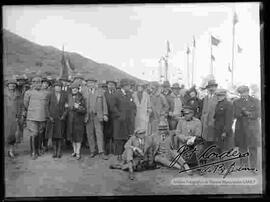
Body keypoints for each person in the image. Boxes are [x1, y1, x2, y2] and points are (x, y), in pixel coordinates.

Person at [233, 85, 261, 172]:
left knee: (253, 147)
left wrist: (249, 114)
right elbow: (235, 114)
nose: (242, 95)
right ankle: (243, 164)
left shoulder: (255, 101)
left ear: (248, 92)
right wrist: (242, 113)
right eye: (241, 93)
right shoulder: (236, 102)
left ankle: (253, 166)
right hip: (241, 127)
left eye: (244, 92)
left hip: (252, 127)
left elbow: (259, 113)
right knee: (242, 147)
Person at [24, 76, 50, 159]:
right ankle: (33, 152)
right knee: (33, 134)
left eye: (39, 82)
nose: (37, 84)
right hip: (32, 117)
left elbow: (47, 104)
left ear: (41, 83)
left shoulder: (46, 93)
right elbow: (26, 104)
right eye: (35, 82)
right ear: (32, 83)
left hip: (42, 116)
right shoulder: (28, 93)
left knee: (40, 133)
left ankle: (38, 150)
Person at [83, 77, 109, 160]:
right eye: (89, 82)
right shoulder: (84, 92)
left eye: (92, 82)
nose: (90, 84)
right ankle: (92, 151)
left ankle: (101, 151)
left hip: (98, 116)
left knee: (99, 133)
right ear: (87, 84)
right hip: (88, 116)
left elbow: (104, 104)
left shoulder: (100, 92)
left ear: (95, 84)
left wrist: (105, 114)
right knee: (90, 134)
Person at [114, 78, 136, 161]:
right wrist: (119, 115)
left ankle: (125, 154)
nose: (129, 87)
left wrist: (134, 112)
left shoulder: (130, 94)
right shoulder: (116, 94)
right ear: (124, 86)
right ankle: (118, 155)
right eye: (128, 85)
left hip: (128, 120)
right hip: (119, 121)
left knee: (127, 137)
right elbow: (113, 107)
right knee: (119, 138)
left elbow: (133, 105)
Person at [66, 81, 86, 160]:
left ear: (78, 89)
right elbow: (66, 106)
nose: (74, 90)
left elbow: (84, 110)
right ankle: (74, 151)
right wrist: (67, 107)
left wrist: (78, 108)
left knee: (78, 136)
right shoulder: (69, 96)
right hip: (70, 119)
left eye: (76, 88)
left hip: (78, 119)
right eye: (73, 88)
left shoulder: (81, 97)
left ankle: (78, 152)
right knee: (72, 136)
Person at [47, 81, 68, 158]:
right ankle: (54, 151)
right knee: (53, 135)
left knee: (60, 135)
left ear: (61, 87)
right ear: (54, 87)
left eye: (59, 86)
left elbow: (66, 107)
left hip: (61, 118)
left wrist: (64, 115)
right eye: (56, 86)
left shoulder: (64, 95)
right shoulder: (50, 95)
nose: (58, 88)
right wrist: (49, 116)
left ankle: (59, 151)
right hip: (52, 118)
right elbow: (47, 106)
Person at [200, 79, 218, 163]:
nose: (211, 89)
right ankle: (207, 156)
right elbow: (203, 110)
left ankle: (214, 157)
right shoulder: (206, 98)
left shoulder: (218, 97)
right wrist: (203, 121)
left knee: (214, 140)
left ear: (215, 87)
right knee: (206, 140)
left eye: (213, 87)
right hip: (206, 123)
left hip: (214, 122)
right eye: (210, 87)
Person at [4, 78, 22, 158]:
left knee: (13, 135)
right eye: (10, 84)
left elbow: (20, 106)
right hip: (5, 116)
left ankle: (11, 151)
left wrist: (18, 116)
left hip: (14, 117)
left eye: (13, 84)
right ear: (7, 85)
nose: (12, 85)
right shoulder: (4, 94)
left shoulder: (18, 94)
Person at [213, 89, 234, 155]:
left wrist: (225, 131)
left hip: (224, 130)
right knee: (219, 148)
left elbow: (229, 120)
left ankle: (226, 164)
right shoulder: (218, 103)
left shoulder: (228, 104)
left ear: (224, 96)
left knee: (225, 150)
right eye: (218, 95)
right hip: (218, 129)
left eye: (221, 95)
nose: (219, 97)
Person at [103, 80, 120, 155]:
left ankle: (114, 150)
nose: (111, 86)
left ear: (115, 86)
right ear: (107, 86)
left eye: (112, 85)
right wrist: (105, 114)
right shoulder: (104, 94)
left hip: (115, 117)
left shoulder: (118, 94)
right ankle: (107, 150)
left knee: (115, 133)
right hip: (107, 116)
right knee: (107, 133)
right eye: (109, 85)